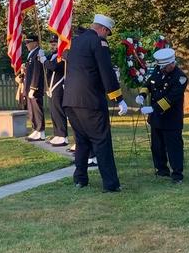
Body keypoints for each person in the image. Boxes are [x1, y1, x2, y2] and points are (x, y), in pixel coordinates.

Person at [62, 13, 128, 191]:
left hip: (69, 100)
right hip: (90, 100)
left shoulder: (75, 42)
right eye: (107, 33)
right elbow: (106, 72)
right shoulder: (99, 42)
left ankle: (80, 179)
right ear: (103, 29)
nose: (107, 36)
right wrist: (118, 98)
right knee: (101, 140)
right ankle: (111, 184)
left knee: (82, 140)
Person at [138, 47, 188, 182]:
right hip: (156, 118)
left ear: (172, 63)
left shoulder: (180, 77)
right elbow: (148, 84)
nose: (162, 69)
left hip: (171, 118)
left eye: (165, 67)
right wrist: (142, 95)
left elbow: (171, 98)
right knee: (157, 146)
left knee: (174, 147)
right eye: (161, 67)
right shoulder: (158, 70)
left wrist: (153, 108)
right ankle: (161, 169)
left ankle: (177, 174)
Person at [43, 33, 69, 145]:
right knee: (54, 112)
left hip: (58, 86)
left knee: (59, 111)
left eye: (54, 44)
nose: (52, 46)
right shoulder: (53, 55)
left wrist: (44, 61)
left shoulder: (62, 55)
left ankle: (63, 135)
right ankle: (57, 134)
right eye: (51, 44)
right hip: (51, 88)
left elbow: (54, 67)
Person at [22, 34, 46, 140]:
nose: (26, 45)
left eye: (28, 42)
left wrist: (33, 87)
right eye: (26, 43)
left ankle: (40, 131)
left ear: (35, 43)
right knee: (31, 110)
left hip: (34, 87)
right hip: (29, 86)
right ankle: (35, 129)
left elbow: (37, 72)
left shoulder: (37, 53)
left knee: (36, 109)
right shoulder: (31, 54)